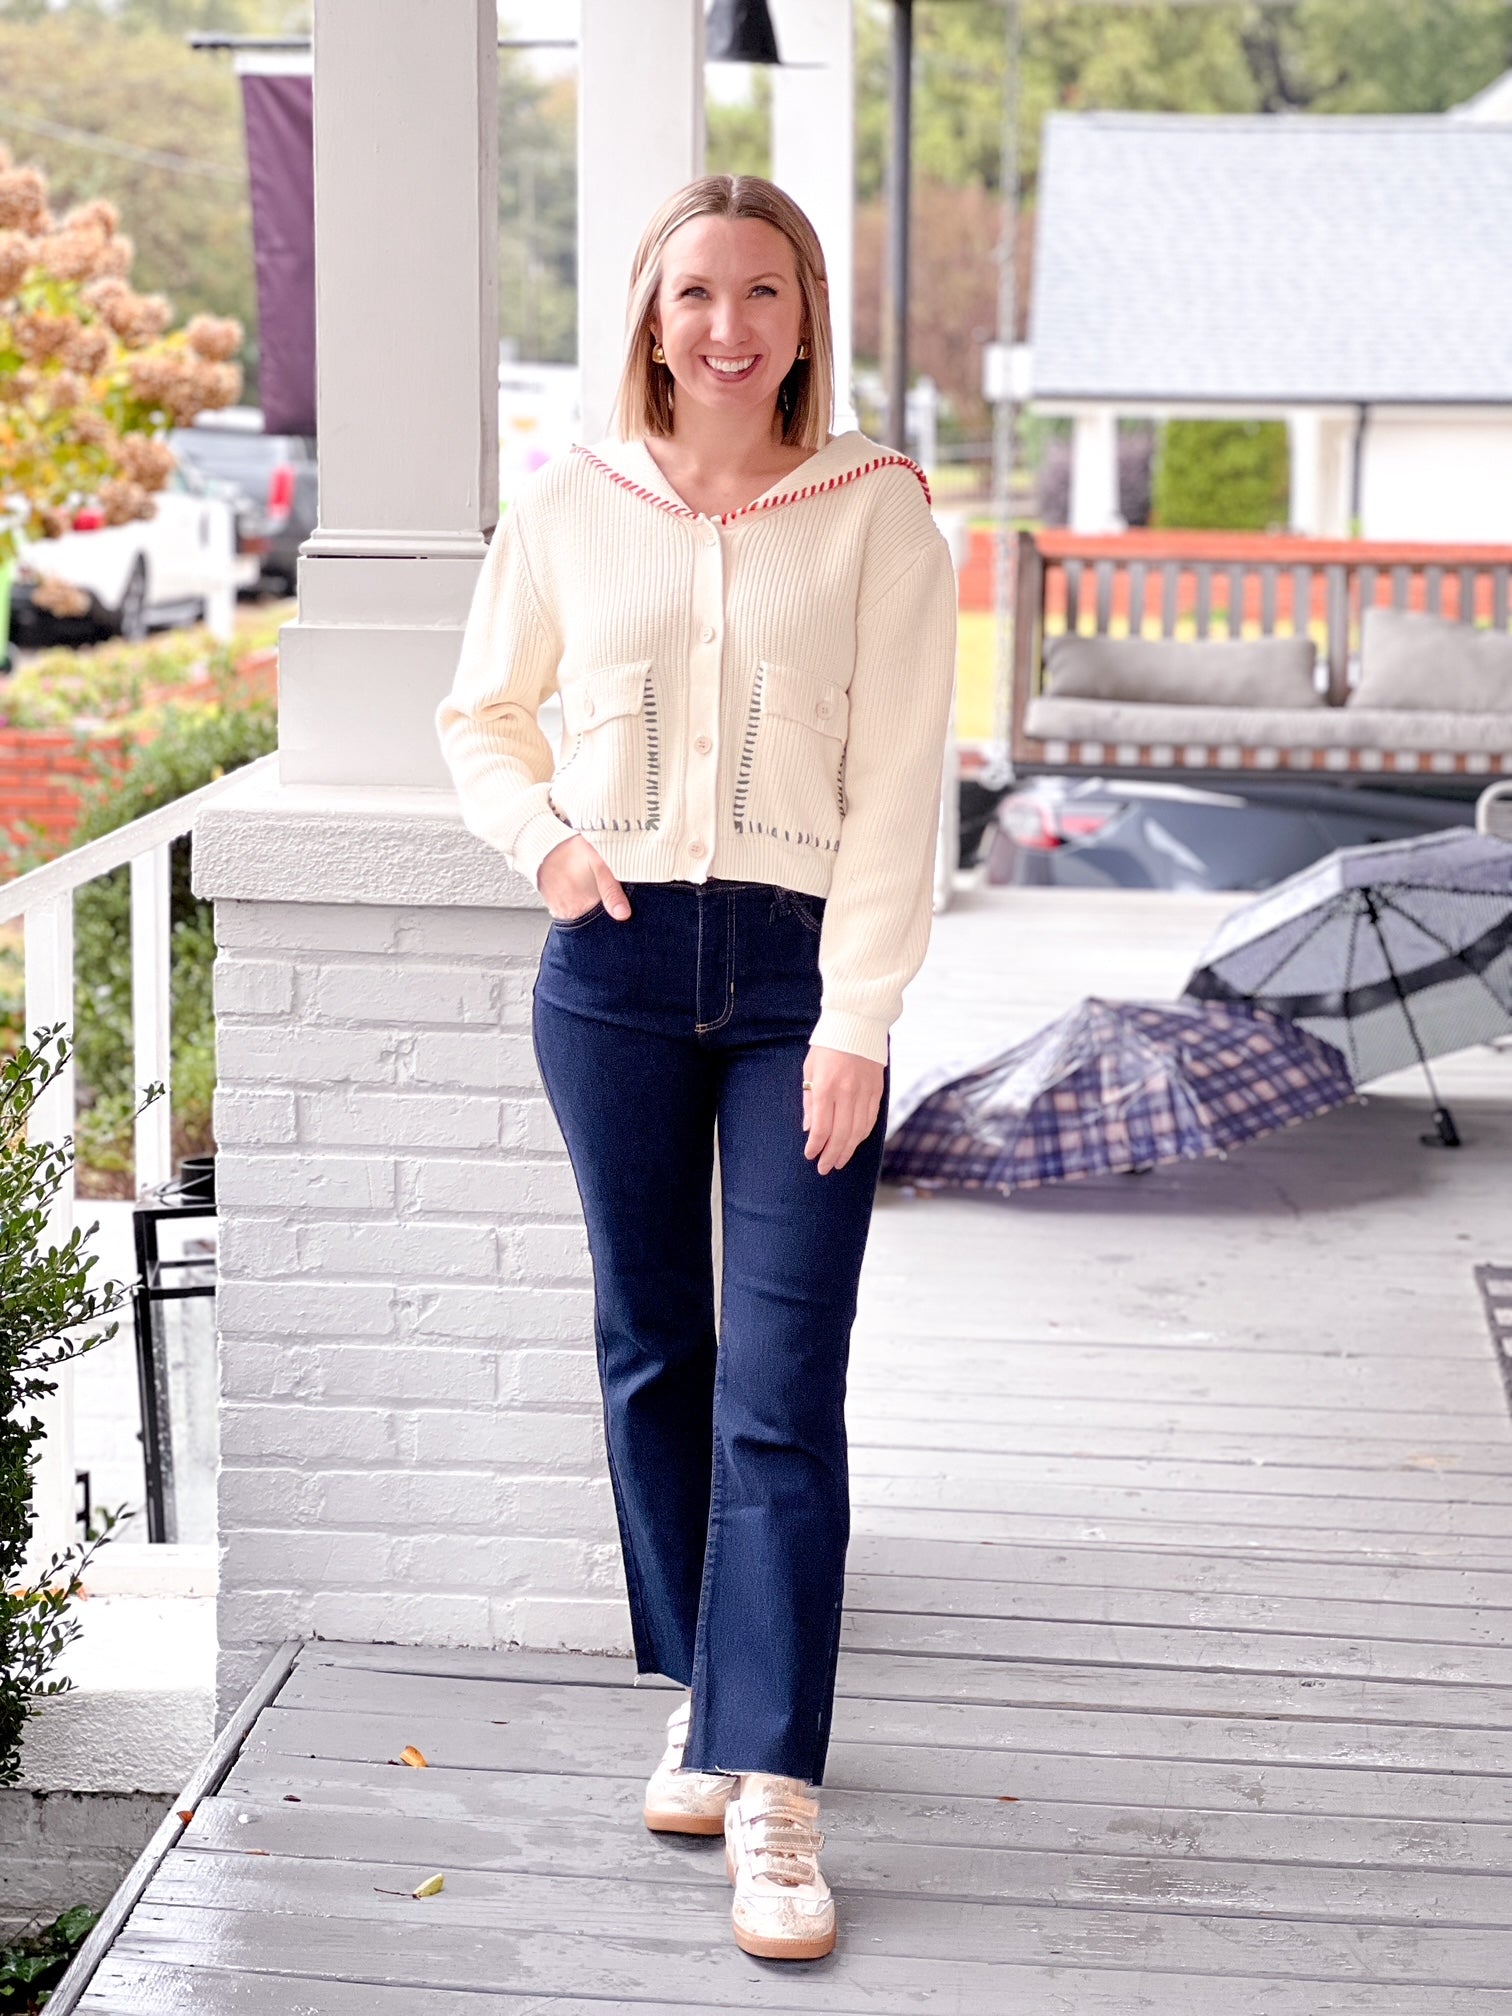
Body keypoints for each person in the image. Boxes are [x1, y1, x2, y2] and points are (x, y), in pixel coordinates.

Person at [436, 174, 956, 1963]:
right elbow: (481, 713)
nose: (726, 326)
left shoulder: (878, 510)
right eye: (693, 294)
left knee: (784, 1377)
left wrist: (862, 1016)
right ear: (649, 318)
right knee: (657, 1351)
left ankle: (779, 1789)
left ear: (805, 316)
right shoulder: (574, 504)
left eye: (762, 292)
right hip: (617, 965)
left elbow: (902, 782)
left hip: (803, 969)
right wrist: (554, 852)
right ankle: (708, 1706)